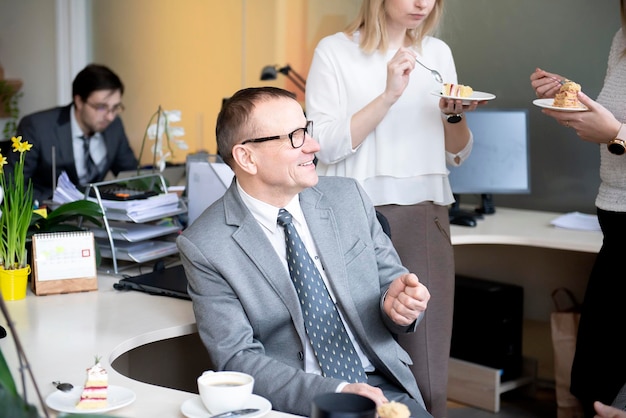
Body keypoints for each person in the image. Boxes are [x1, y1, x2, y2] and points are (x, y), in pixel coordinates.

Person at [176, 86, 433, 418]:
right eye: (295, 136)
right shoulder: (206, 245)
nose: (313, 146)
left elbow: (392, 289)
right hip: (297, 402)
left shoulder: (348, 198)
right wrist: (337, 392)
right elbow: (236, 359)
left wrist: (398, 306)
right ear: (246, 158)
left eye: (306, 130)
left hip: (382, 387)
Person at [305, 1, 486, 415]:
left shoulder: (437, 54)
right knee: (351, 363)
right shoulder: (334, 52)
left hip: (424, 213)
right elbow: (325, 145)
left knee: (427, 372)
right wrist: (389, 95)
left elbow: (458, 153)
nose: (423, 3)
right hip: (349, 215)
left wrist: (454, 118)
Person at [530, 2, 626, 416]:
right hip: (615, 215)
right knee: (598, 377)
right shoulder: (622, 39)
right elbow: (611, 119)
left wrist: (617, 133)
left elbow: (616, 130)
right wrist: (571, 97)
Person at [10, 63, 138, 204]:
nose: (110, 117)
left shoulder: (114, 126)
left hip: (96, 218)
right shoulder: (37, 127)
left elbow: (132, 175)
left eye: (115, 107)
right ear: (79, 101)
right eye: (102, 107)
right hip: (48, 216)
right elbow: (12, 185)